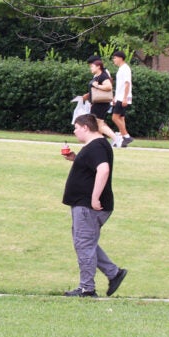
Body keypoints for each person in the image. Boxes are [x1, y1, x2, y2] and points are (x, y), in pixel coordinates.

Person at [60, 114, 129, 297]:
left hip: (89, 207)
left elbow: (103, 169)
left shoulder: (97, 145)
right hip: (84, 205)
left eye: (76, 127)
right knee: (86, 243)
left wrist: (94, 198)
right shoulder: (95, 145)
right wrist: (76, 158)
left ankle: (87, 288)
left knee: (84, 244)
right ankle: (114, 273)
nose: (74, 131)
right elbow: (93, 167)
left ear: (85, 127)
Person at [83, 55, 118, 142]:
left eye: (92, 65)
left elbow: (109, 86)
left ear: (98, 65)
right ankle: (101, 140)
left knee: (99, 124)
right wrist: (89, 95)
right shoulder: (97, 75)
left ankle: (116, 138)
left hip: (101, 102)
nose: (90, 67)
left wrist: (97, 85)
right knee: (97, 123)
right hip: (97, 102)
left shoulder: (103, 74)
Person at [111, 51, 134, 147]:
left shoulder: (125, 69)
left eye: (115, 58)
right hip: (119, 97)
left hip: (123, 98)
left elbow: (127, 83)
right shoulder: (121, 69)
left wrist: (125, 98)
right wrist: (115, 97)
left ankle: (126, 136)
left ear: (121, 58)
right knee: (121, 118)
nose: (114, 60)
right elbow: (120, 86)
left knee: (115, 117)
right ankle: (121, 139)